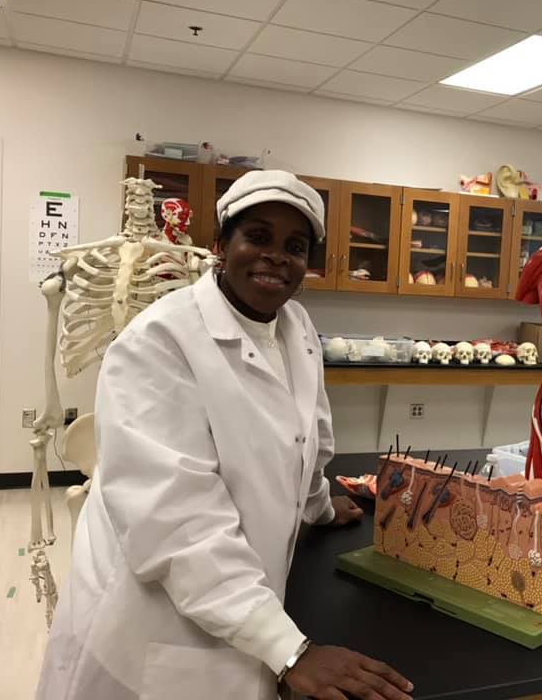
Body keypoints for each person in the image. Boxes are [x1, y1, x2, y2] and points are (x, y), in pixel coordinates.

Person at [37, 170, 413, 700]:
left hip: (243, 605)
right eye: (257, 237)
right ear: (220, 246)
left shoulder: (296, 326)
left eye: (295, 246)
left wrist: (319, 504)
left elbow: (307, 439)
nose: (276, 256)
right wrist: (292, 651)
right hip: (152, 626)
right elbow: (178, 525)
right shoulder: (159, 344)